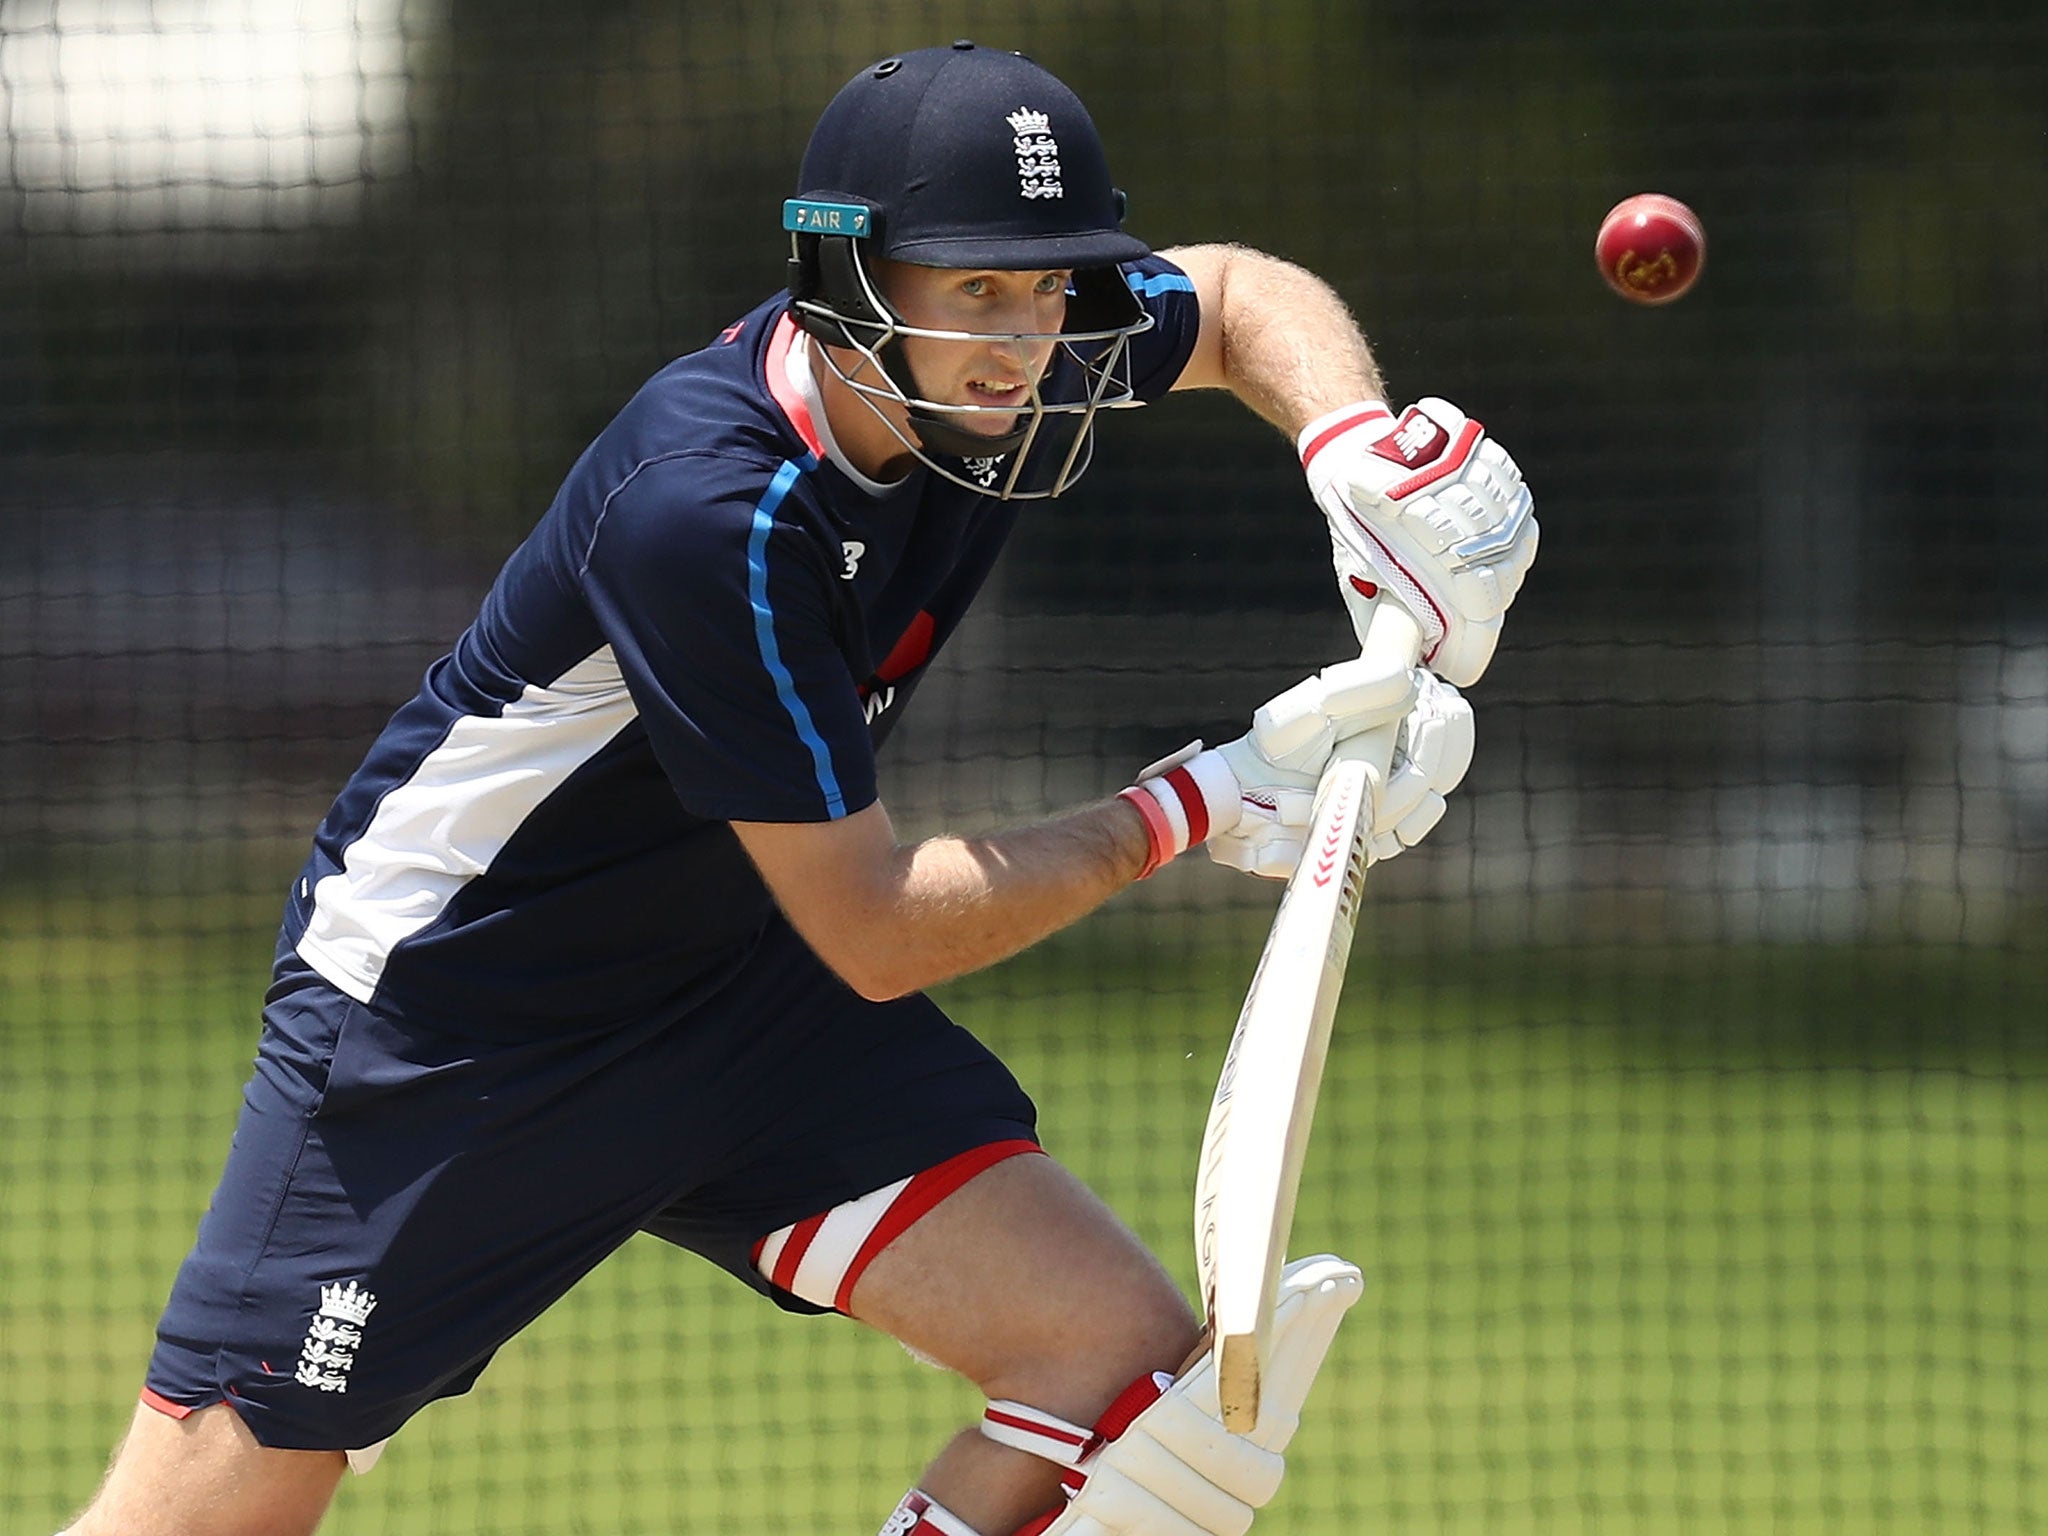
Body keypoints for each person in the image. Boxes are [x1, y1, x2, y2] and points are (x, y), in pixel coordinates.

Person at [62, 40, 1534, 1536]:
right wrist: (1201, 801)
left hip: (736, 995)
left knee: (1117, 1377)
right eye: (976, 290)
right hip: (452, 1026)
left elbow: (1228, 296)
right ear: (841, 279)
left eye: (1047, 290)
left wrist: (1352, 444)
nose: (1024, 346)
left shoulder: (994, 373)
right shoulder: (713, 509)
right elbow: (880, 929)